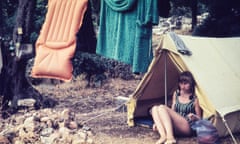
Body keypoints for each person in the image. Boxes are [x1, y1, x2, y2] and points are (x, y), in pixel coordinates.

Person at [150, 71, 202, 144]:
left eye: (186, 83)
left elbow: (200, 119)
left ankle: (170, 137)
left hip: (187, 126)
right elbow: (172, 111)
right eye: (181, 83)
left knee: (162, 107)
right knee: (154, 108)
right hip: (176, 124)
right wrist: (159, 122)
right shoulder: (176, 94)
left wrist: (194, 117)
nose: (183, 86)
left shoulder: (194, 99)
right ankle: (163, 136)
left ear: (191, 84)